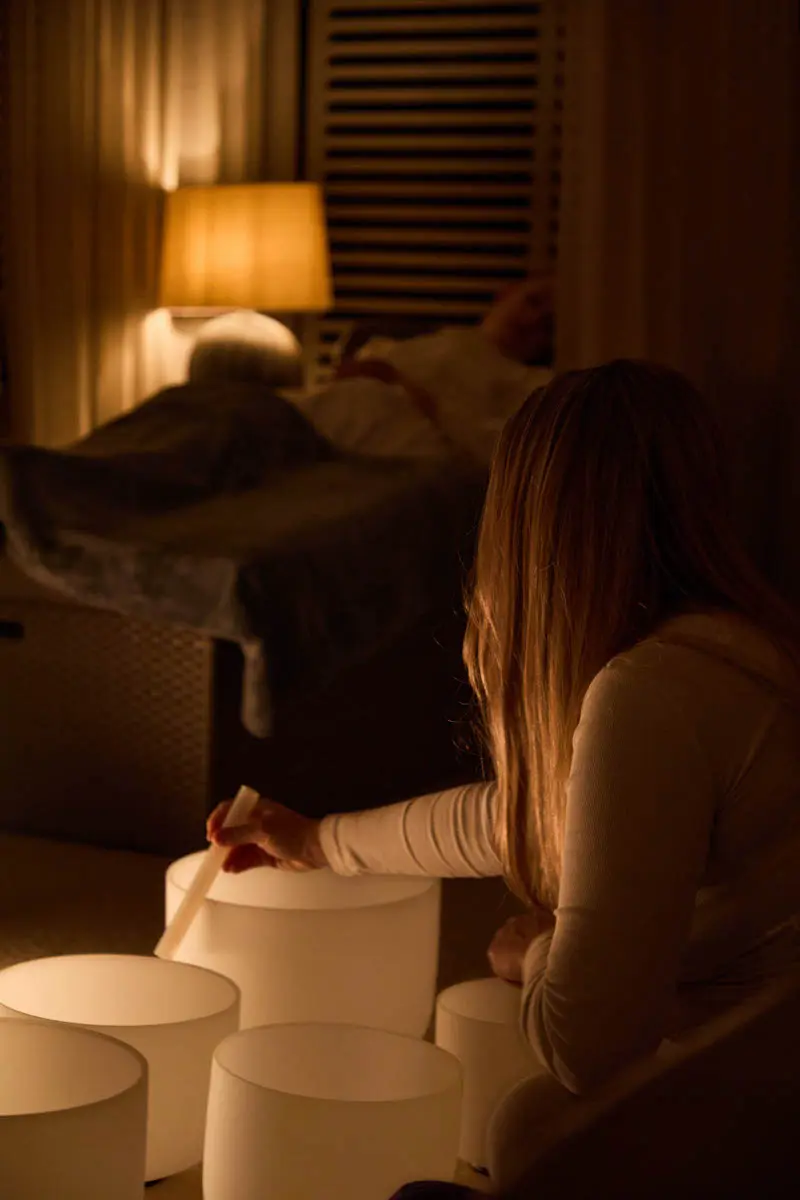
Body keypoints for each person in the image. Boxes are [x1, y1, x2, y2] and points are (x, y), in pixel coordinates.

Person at [207, 360, 800, 1194]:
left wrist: (537, 951)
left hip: (768, 1088)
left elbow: (586, 1046)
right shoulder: (731, 649)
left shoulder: (650, 697)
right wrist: (317, 840)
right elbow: (525, 817)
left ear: (525, 529)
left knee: (529, 1129)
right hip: (760, 1047)